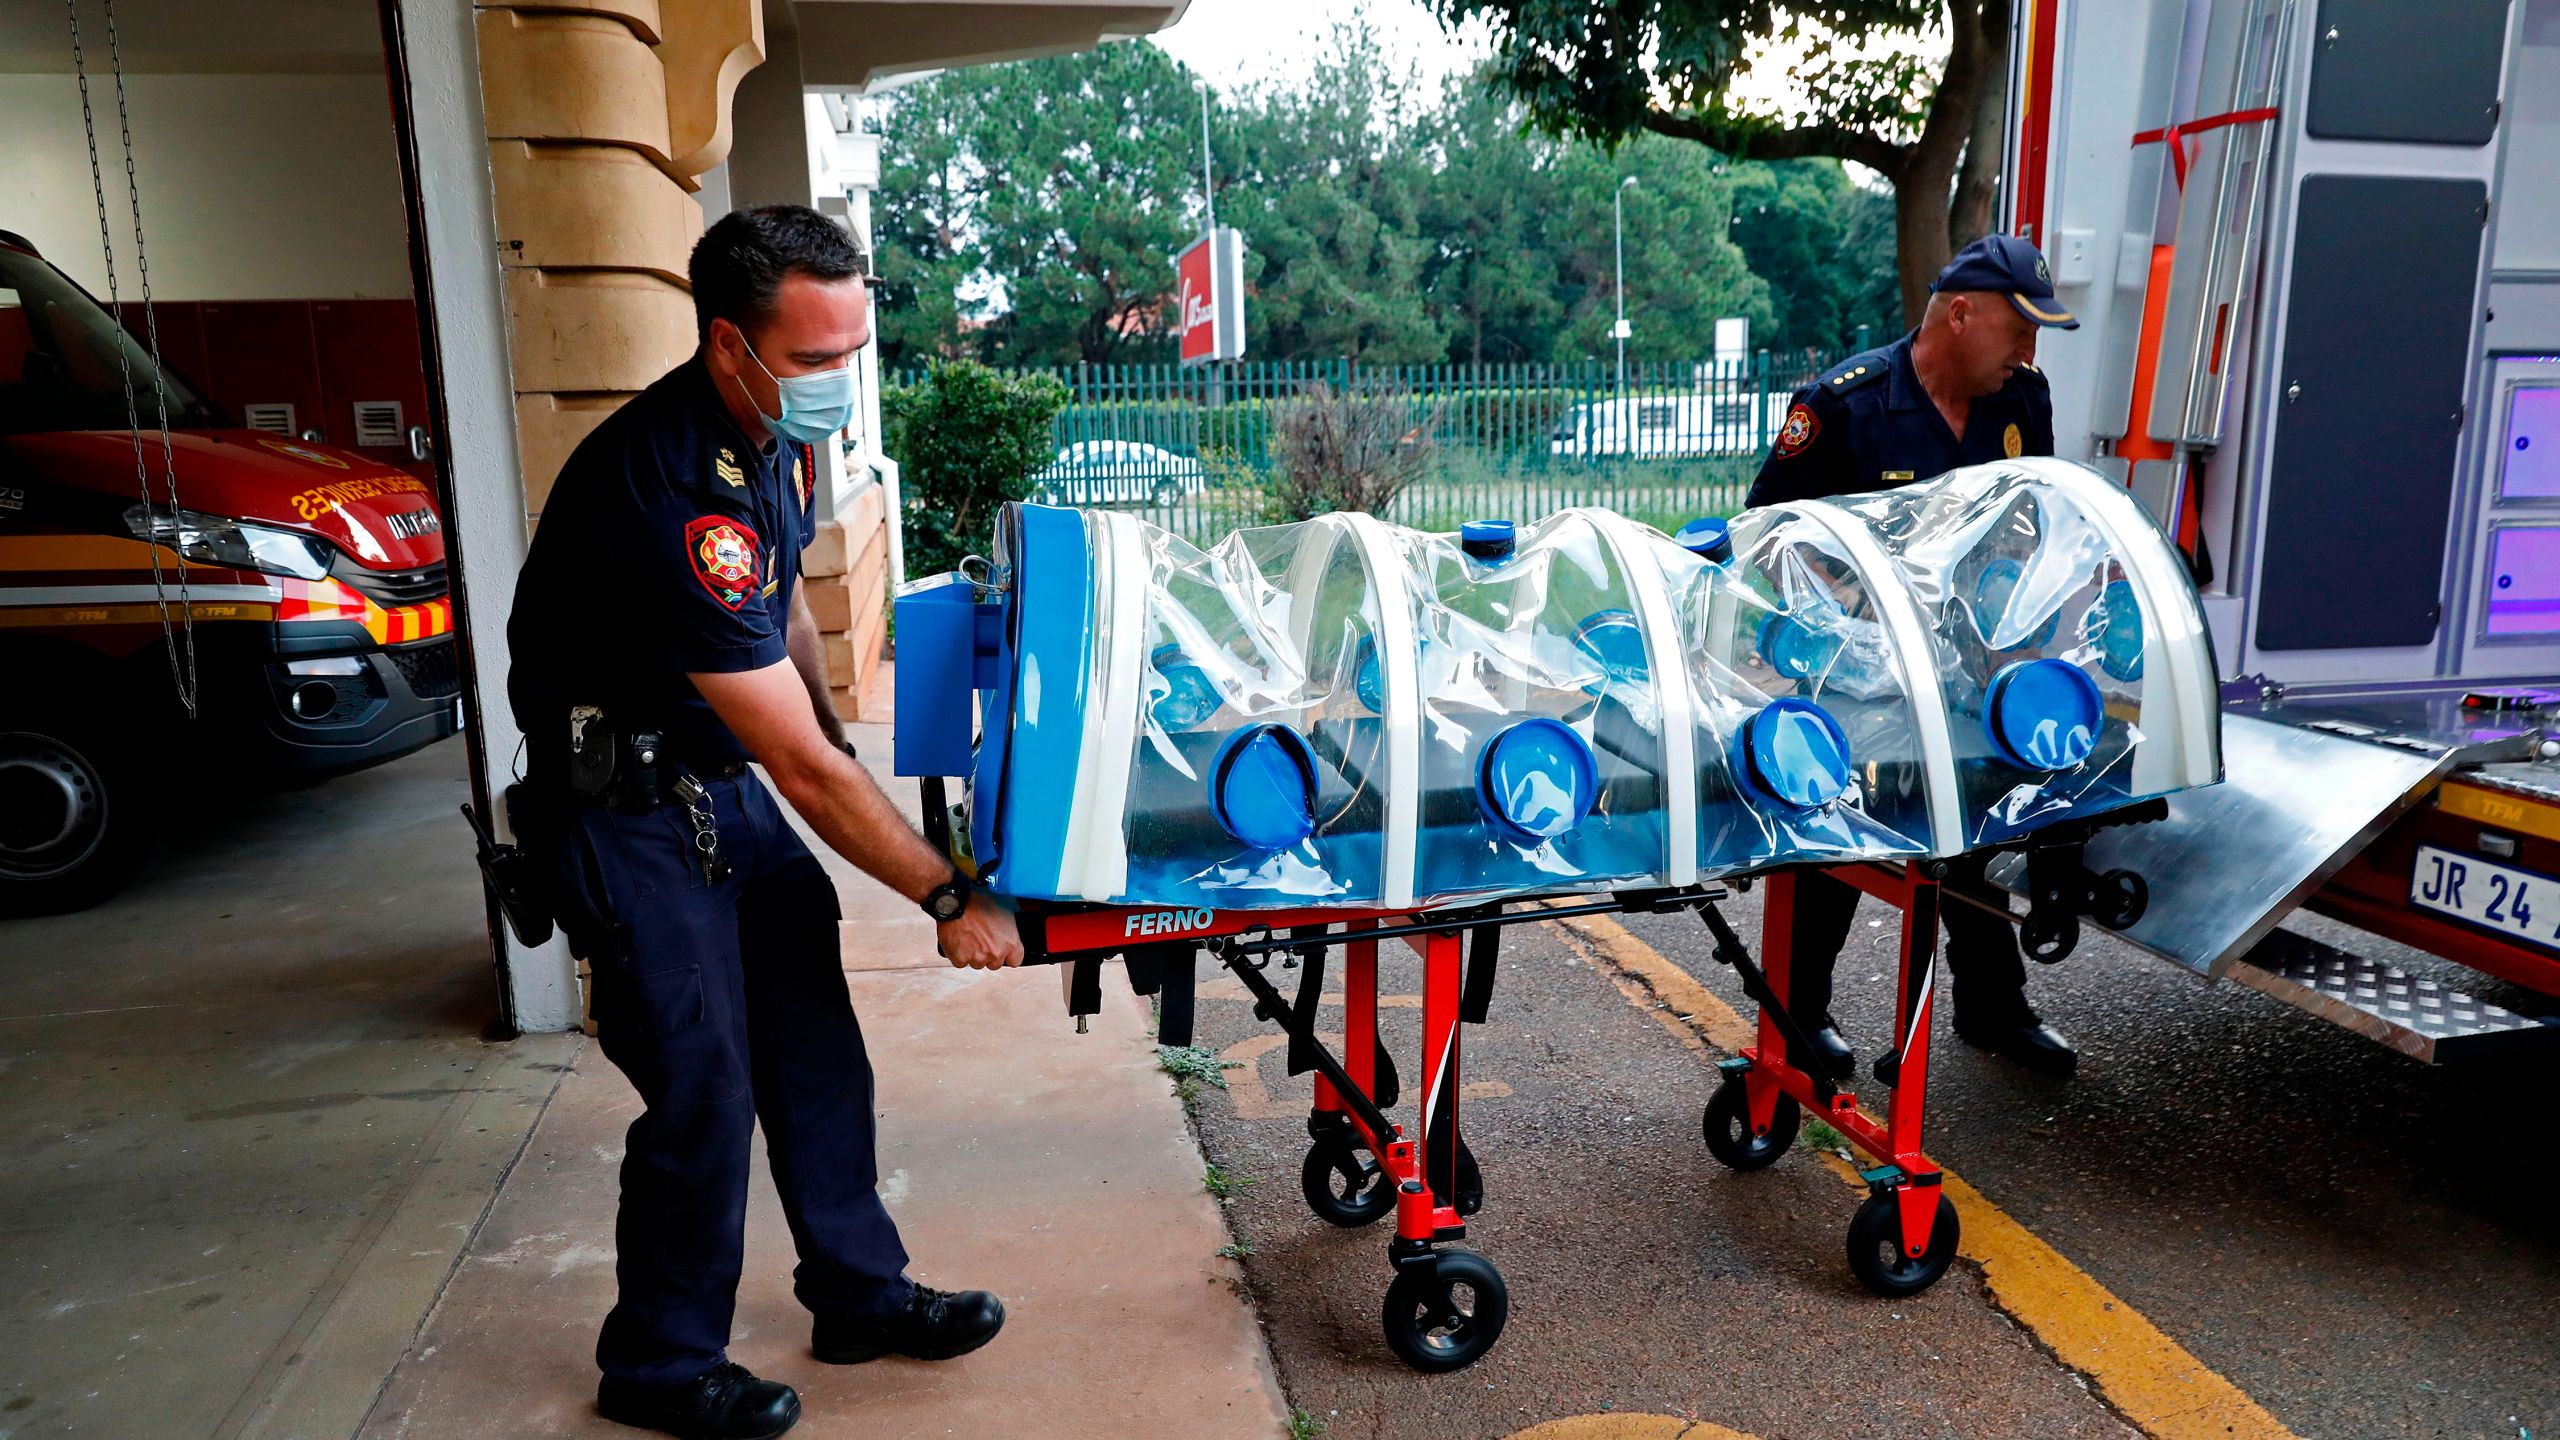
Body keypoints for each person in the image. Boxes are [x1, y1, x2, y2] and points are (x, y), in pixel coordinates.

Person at [508, 204, 1023, 1440]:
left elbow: (784, 616)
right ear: (729, 344)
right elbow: (790, 757)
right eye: (811, 360)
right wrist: (947, 893)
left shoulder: (771, 448)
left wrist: (839, 743)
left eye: (852, 352)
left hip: (718, 790)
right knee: (700, 1087)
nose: (837, 381)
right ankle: (658, 1365)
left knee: (813, 1054)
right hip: (625, 816)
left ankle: (858, 1295)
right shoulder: (672, 486)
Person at [1745, 232, 2084, 1079]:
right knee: (1834, 840)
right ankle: (1795, 1020)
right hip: (1854, 675)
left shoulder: (2021, 404)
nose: (2028, 353)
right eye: (2020, 330)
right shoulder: (1845, 407)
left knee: (1972, 828)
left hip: (1968, 668)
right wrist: (1842, 608)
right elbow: (1767, 537)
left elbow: (2031, 524)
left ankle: (1992, 1007)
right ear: (1961, 315)